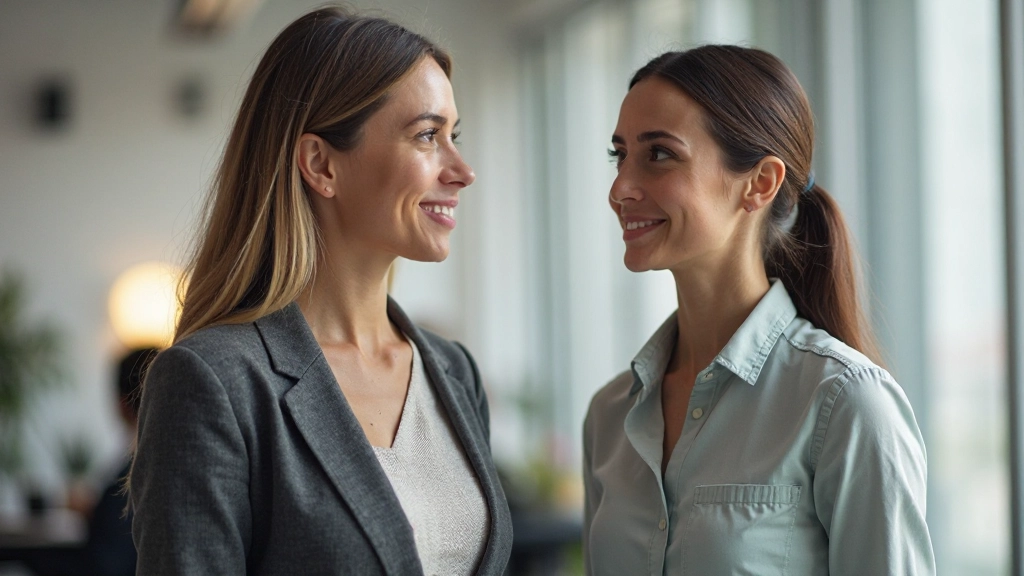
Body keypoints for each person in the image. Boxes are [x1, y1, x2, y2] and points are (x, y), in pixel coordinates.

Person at [128, 7, 512, 575]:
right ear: (320, 164)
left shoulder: (454, 373)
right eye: (428, 135)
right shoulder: (214, 383)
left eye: (454, 136)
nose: (462, 170)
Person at [583, 45, 935, 575]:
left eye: (658, 154)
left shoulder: (847, 404)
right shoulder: (610, 414)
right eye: (620, 155)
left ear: (760, 183)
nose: (619, 189)